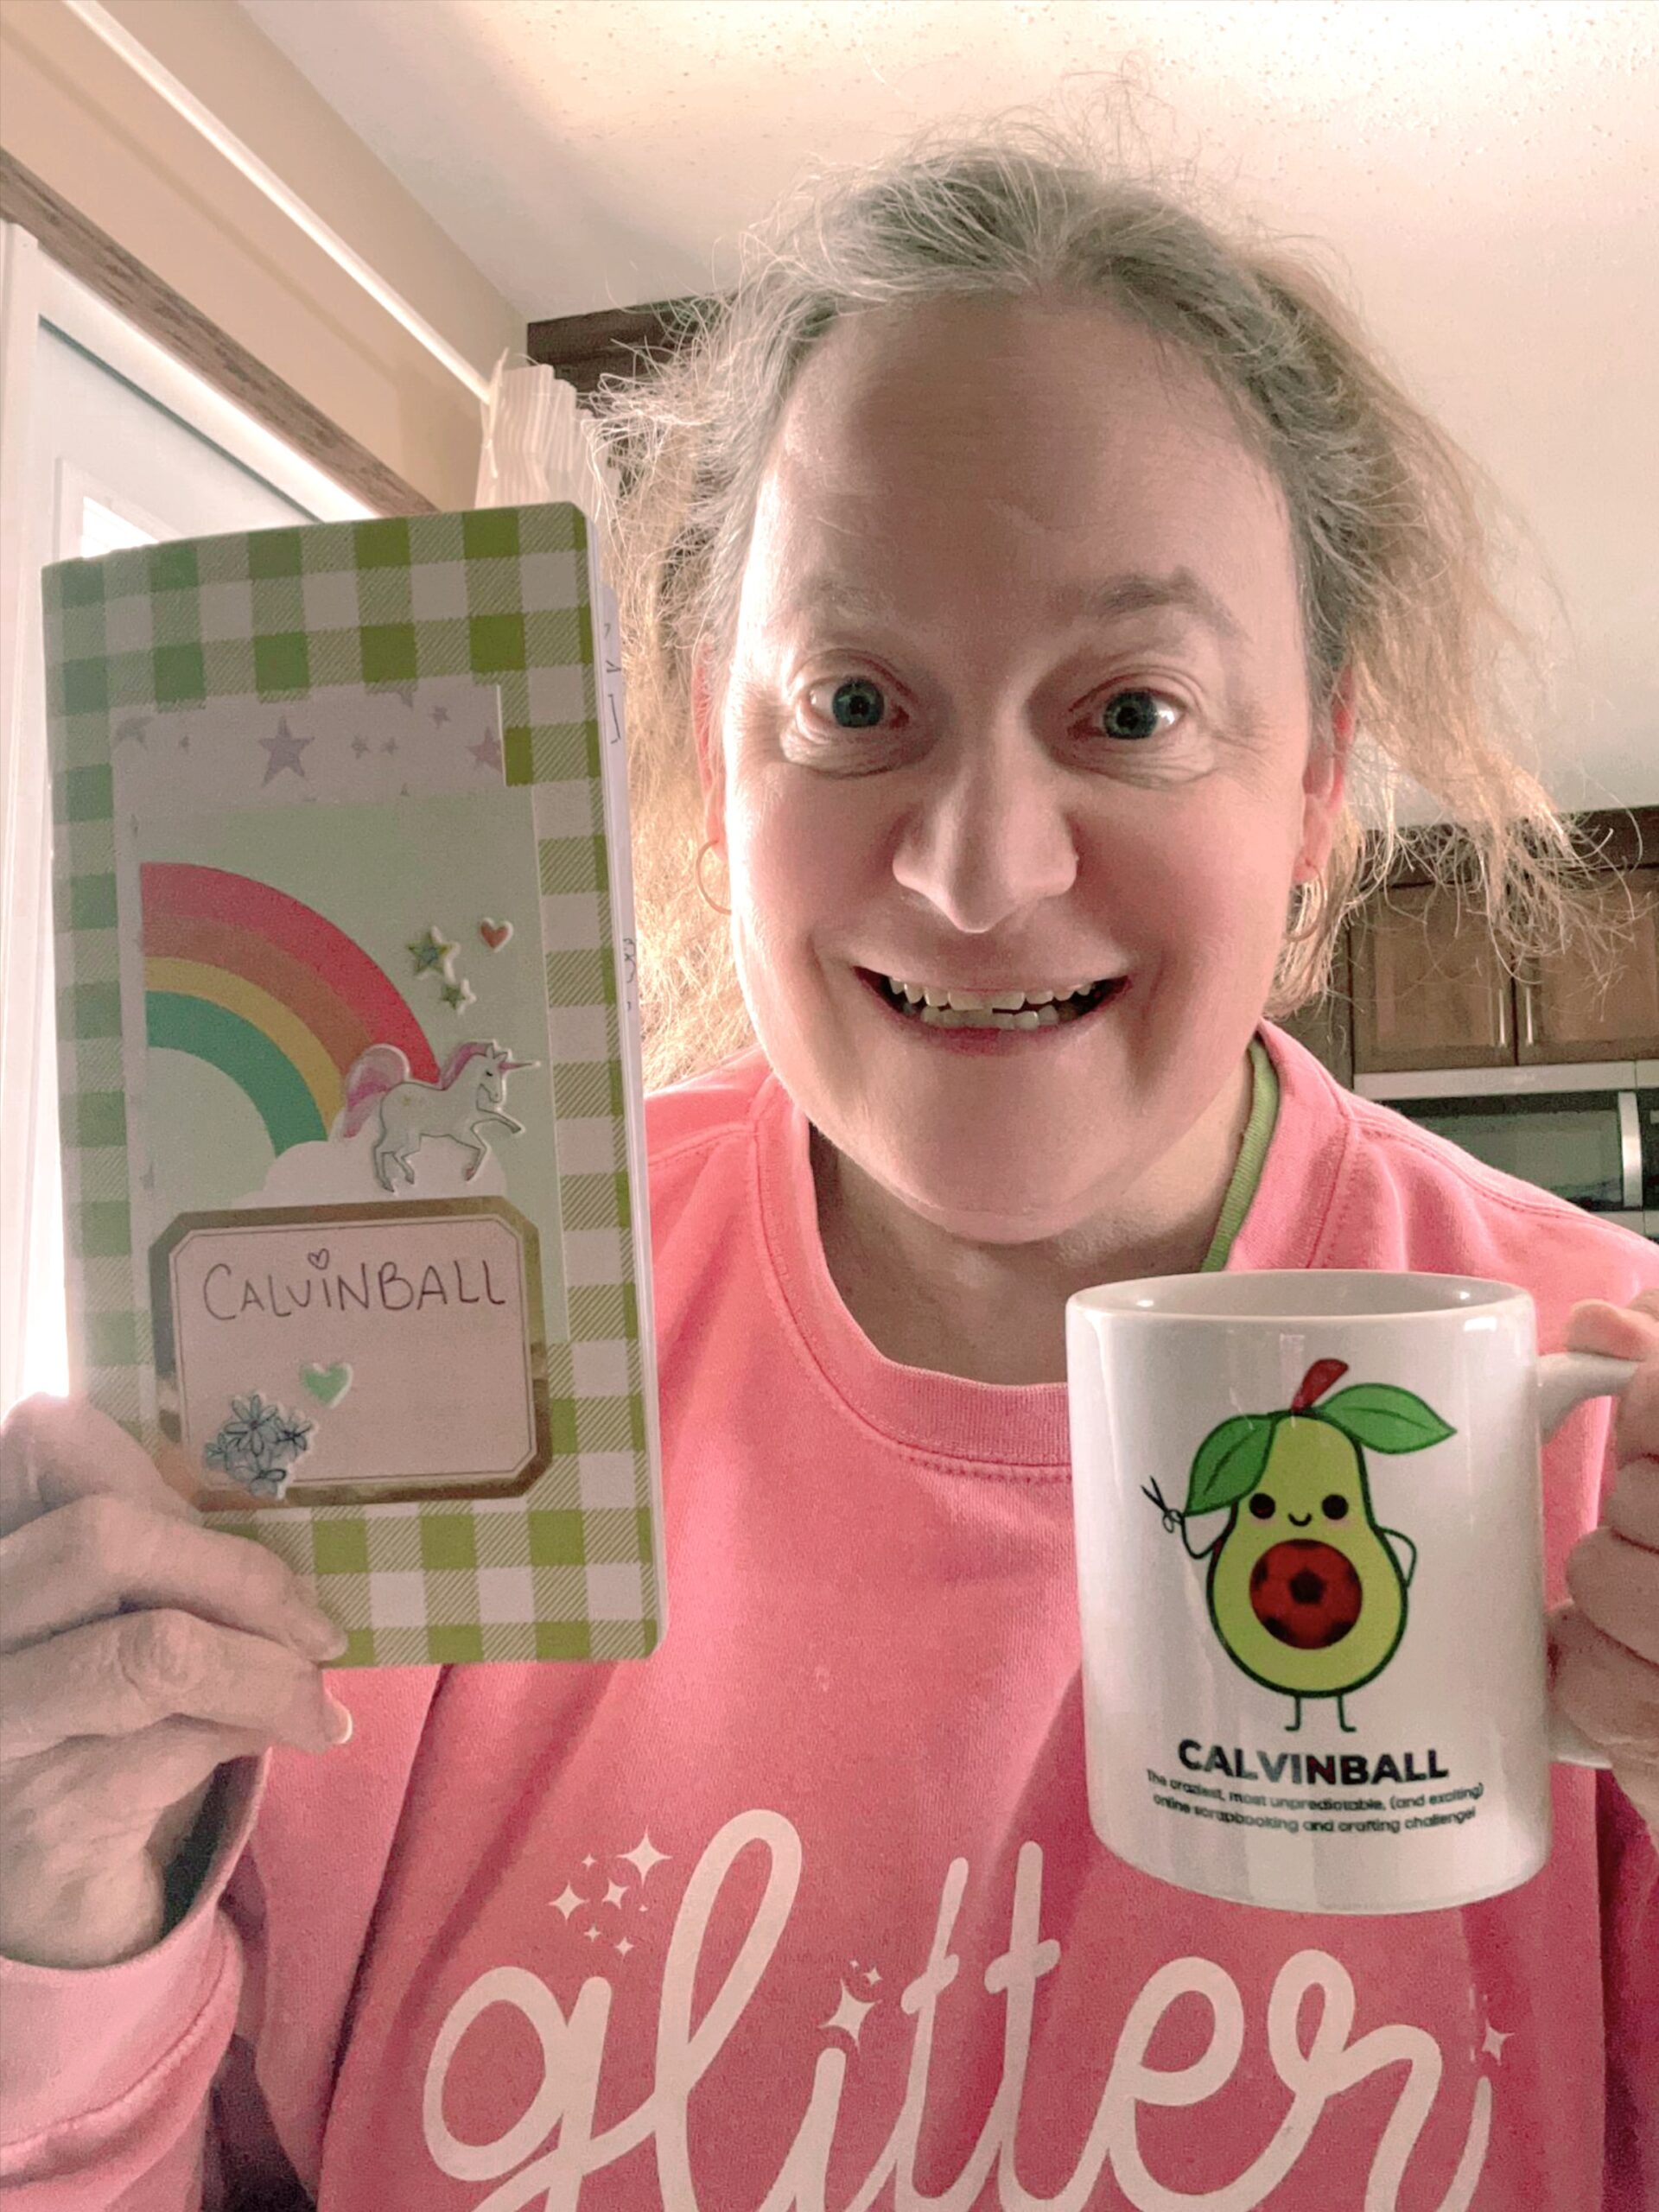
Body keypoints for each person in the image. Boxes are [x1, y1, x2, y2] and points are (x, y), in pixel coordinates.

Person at [3, 120, 1656, 2212]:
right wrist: (51, 1919)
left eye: (1135, 710)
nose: (977, 868)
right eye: (858, 697)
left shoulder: (1605, 1436)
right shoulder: (410, 1368)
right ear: (722, 760)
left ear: (1317, 780)